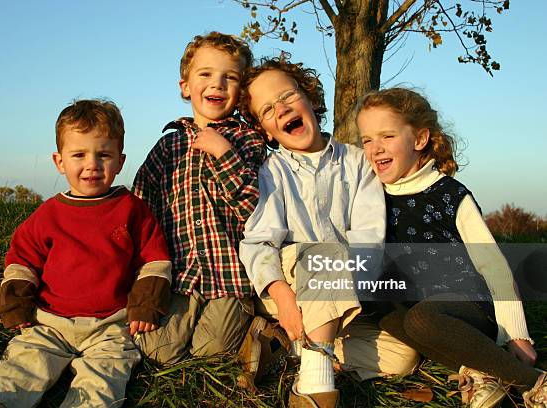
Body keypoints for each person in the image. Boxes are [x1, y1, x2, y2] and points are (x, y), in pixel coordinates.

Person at [238, 56, 419, 408]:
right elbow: (259, 242)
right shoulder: (271, 172)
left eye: (288, 97)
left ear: (309, 97)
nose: (281, 109)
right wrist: (283, 296)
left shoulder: (356, 162)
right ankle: (313, 388)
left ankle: (284, 346)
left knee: (403, 356)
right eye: (267, 109)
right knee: (326, 253)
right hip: (287, 286)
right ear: (263, 129)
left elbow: (368, 236)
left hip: (338, 288)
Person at [356, 87, 546, 408]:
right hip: (412, 309)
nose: (375, 148)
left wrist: (517, 333)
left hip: (466, 307)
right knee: (381, 305)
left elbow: (493, 265)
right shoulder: (369, 196)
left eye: (386, 136)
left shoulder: (450, 195)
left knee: (421, 319)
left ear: (419, 140)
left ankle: (534, 382)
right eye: (366, 140)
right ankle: (478, 373)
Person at [0, 99, 172, 408]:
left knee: (104, 379)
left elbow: (155, 260)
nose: (92, 164)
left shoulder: (132, 209)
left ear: (120, 161)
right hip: (49, 321)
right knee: (24, 363)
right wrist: (17, 302)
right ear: (59, 161)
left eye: (104, 154)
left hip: (111, 325)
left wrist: (147, 304)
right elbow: (22, 260)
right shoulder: (49, 214)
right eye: (79, 155)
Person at [132, 32, 266, 364]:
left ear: (241, 92)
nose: (216, 84)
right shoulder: (169, 146)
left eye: (229, 77)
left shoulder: (249, 142)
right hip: (181, 275)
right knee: (158, 351)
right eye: (205, 74)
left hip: (231, 274)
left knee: (212, 350)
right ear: (185, 86)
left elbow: (256, 208)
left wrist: (225, 155)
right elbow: (142, 203)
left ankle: (260, 326)